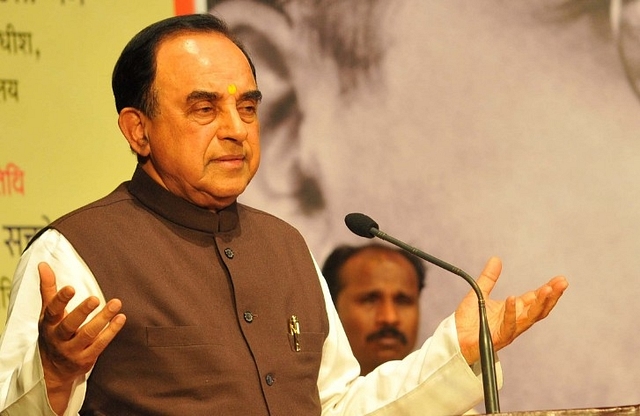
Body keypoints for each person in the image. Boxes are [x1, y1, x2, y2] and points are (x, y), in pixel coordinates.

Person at [0, 13, 569, 415]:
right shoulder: (72, 253)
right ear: (137, 129)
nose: (235, 128)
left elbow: (337, 407)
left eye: (246, 106)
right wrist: (52, 372)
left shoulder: (286, 247)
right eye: (204, 107)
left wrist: (458, 355)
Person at [321, 243, 427, 376]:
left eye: (403, 301)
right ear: (331, 307)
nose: (390, 318)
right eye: (370, 300)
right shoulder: (301, 392)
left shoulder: (450, 393)